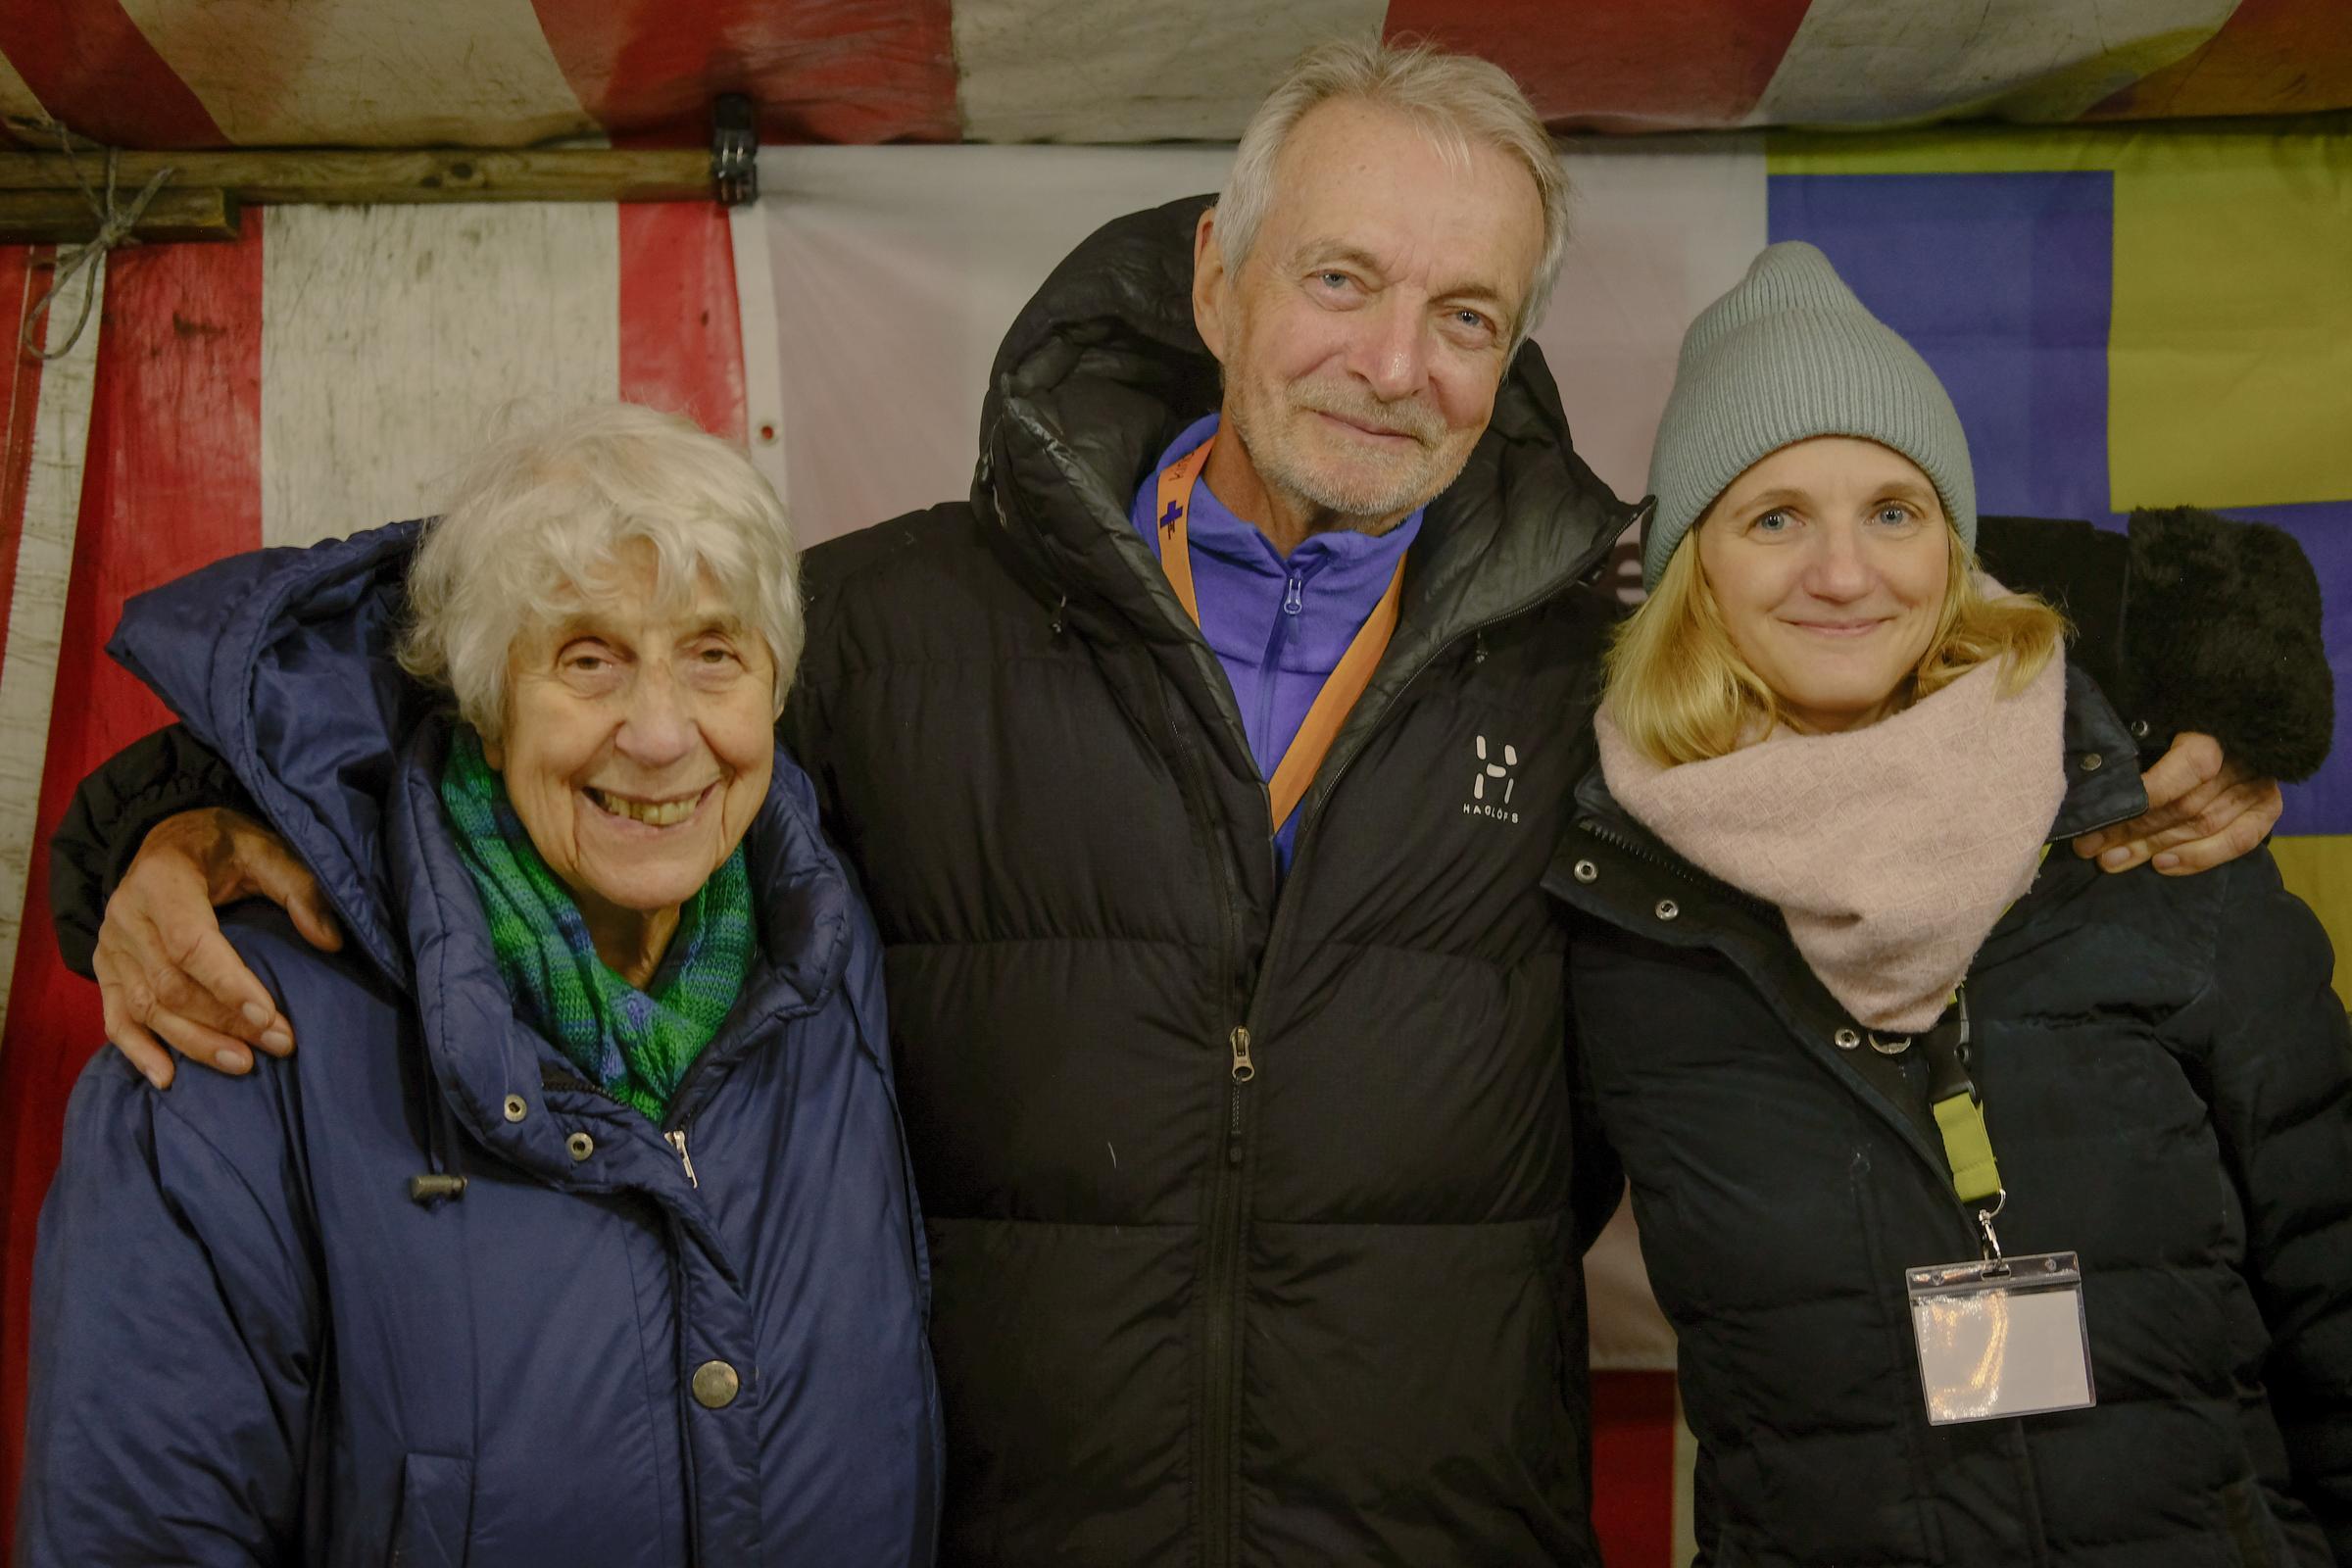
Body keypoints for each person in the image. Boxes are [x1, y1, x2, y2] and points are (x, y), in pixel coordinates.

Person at [41, 43, 2324, 1567]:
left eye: (1464, 313)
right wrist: (171, 806)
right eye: (1340, 280)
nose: (1395, 362)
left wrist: (2220, 691)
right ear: (1216, 278)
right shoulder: (894, 621)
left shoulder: (1605, 640)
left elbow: (1901, 573)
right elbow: (558, 679)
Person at [18, 406, 941, 1565]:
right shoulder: (231, 1029)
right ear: (487, 706)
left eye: (714, 653)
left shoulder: (834, 957)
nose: (662, 732)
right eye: (588, 658)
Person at [1551, 242, 2349, 1563]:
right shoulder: (1618, 908)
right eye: (1774, 518)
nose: (1844, 573)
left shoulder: (2149, 831)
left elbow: (2333, 1263)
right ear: (1693, 565)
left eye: (1893, 511)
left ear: (1953, 540)